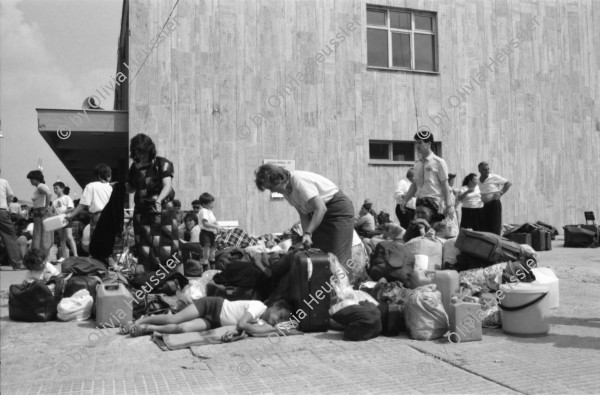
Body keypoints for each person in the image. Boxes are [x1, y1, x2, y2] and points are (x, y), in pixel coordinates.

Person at [254, 164, 355, 265]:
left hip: (338, 211)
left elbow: (320, 208)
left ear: (279, 179)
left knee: (336, 256)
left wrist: (308, 233)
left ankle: (342, 278)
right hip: (319, 214)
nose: (271, 190)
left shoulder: (299, 180)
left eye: (271, 187)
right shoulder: (287, 192)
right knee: (317, 250)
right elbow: (304, 214)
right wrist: (306, 236)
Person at [125, 133, 179, 272]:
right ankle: (149, 279)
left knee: (167, 245)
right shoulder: (134, 167)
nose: (141, 155)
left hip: (162, 211)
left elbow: (167, 185)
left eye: (143, 151)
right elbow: (131, 188)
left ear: (150, 149)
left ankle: (170, 278)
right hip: (142, 213)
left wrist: (159, 201)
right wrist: (122, 186)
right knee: (144, 245)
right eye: (138, 152)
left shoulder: (162, 163)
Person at [125, 297, 292, 337]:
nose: (279, 321)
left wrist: (265, 328)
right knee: (173, 319)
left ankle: (148, 328)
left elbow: (251, 330)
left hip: (215, 321)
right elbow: (242, 324)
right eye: (281, 316)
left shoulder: (262, 320)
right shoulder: (258, 307)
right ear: (274, 306)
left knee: (182, 329)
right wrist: (263, 329)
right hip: (211, 305)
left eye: (283, 320)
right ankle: (141, 320)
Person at [399, 132, 454, 218]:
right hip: (420, 203)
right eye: (416, 143)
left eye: (420, 142)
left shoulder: (439, 162)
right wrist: (405, 200)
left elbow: (445, 185)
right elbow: (414, 184)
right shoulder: (417, 163)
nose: (417, 145)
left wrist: (449, 206)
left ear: (428, 144)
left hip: (434, 204)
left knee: (435, 230)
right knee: (419, 229)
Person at [67, 164, 113, 239]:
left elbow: (83, 204)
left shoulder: (91, 186)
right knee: (108, 241)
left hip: (98, 217)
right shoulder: (111, 188)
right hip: (111, 217)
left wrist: (71, 215)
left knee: (97, 242)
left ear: (98, 175)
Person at [478, 162, 512, 235]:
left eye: (488, 169)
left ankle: (496, 242)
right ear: (480, 171)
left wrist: (501, 192)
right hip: (483, 205)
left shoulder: (494, 177)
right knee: (485, 226)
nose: (487, 171)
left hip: (494, 204)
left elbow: (508, 183)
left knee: (495, 225)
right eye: (485, 170)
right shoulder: (478, 181)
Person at [0, 169, 24, 269]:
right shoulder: (4, 182)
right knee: (10, 237)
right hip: (1, 211)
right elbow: (10, 196)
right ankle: (17, 263)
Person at [26, 170, 53, 253]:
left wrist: (45, 208)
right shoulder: (40, 186)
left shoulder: (40, 186)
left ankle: (41, 255)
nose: (30, 181)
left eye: (31, 179)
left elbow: (49, 194)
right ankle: (40, 255)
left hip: (41, 211)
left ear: (36, 179)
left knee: (42, 235)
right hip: (39, 211)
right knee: (40, 235)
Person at [52, 182, 77, 259]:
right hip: (59, 221)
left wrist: (63, 212)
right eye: (54, 188)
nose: (55, 190)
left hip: (66, 219)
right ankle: (65, 257)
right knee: (62, 238)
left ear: (62, 189)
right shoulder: (54, 201)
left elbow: (72, 208)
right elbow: (52, 211)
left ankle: (76, 255)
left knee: (69, 237)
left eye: (56, 188)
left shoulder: (66, 197)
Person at [198, 192, 221, 268]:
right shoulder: (203, 211)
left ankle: (213, 272)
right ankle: (205, 272)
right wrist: (216, 227)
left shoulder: (210, 212)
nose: (212, 205)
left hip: (211, 234)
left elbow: (214, 221)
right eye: (210, 203)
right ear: (204, 204)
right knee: (206, 254)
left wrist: (219, 227)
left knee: (212, 254)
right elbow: (205, 223)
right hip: (205, 234)